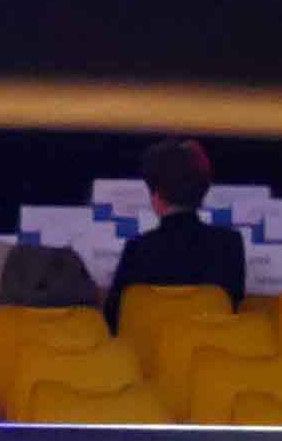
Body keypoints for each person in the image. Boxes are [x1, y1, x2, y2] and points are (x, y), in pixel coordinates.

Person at [103, 137, 245, 328]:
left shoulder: (137, 249)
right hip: (210, 345)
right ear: (201, 194)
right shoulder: (230, 244)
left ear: (156, 198)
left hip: (148, 346)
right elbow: (233, 307)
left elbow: (114, 318)